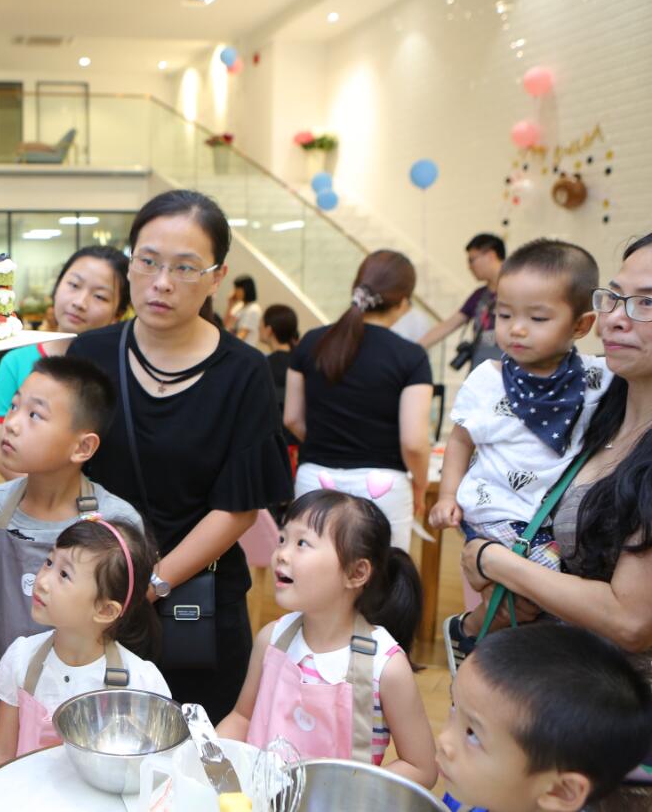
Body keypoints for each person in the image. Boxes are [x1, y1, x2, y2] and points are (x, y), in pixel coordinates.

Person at [69, 189, 293, 722]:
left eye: (186, 268)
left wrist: (151, 583)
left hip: (200, 604)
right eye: (148, 261)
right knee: (95, 736)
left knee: (198, 740)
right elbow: (67, 469)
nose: (162, 282)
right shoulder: (91, 354)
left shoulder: (244, 372)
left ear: (217, 278)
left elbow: (237, 507)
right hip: (98, 592)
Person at [461, 234, 652, 810]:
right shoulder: (599, 413)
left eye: (647, 302)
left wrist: (494, 561)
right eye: (614, 297)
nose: (618, 318)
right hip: (557, 706)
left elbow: (631, 620)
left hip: (620, 734)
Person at [429, 241, 609, 652]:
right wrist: (447, 495)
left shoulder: (598, 378)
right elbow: (460, 439)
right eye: (505, 315)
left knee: (531, 607)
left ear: (581, 326)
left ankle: (475, 637)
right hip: (496, 510)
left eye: (538, 318)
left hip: (546, 518)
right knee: (553, 593)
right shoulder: (487, 379)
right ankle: (475, 637)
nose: (516, 329)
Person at [216, 490, 437, 786]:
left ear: (356, 573)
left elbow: (421, 768)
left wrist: (349, 791)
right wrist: (208, 756)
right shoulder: (272, 640)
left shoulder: (385, 667)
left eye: (302, 543)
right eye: (282, 539)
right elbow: (242, 718)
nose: (282, 553)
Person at [0, 356, 144, 681]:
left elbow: (119, 625)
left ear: (83, 447)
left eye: (34, 415)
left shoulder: (116, 521)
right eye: (14, 406)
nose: (11, 423)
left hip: (81, 697)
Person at [0, 517, 169, 770]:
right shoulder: (21, 658)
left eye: (64, 574)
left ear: (105, 610)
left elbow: (152, 773)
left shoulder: (141, 684)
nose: (42, 581)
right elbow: (1, 754)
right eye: (49, 562)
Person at [287, 250, 433, 551]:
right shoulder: (411, 356)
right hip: (382, 486)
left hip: (315, 479)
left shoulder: (311, 342)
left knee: (311, 575)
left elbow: (291, 418)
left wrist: (328, 442)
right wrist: (420, 485)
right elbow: (414, 443)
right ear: (403, 302)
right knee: (382, 575)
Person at [437, 624, 652, 812]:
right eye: (454, 707)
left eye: (473, 735)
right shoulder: (469, 795)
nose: (444, 740)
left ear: (560, 791)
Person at [0, 246, 129, 480]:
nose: (80, 302)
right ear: (57, 287)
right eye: (73, 285)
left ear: (118, 313)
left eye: (100, 296)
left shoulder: (122, 369)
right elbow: (5, 459)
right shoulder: (15, 362)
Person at [419, 234, 506, 370]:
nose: (469, 267)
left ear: (490, 255)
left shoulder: (519, 291)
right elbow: (448, 325)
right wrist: (414, 348)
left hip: (508, 369)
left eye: (472, 260)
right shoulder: (480, 295)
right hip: (481, 368)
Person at [261, 304, 301, 470]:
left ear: (269, 330)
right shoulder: (301, 361)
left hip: (272, 446)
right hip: (298, 447)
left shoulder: (263, 365)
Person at [224, 274, 262, 349]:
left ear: (246, 290)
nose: (235, 292)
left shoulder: (253, 310)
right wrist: (230, 305)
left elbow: (241, 336)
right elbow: (225, 325)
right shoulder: (239, 305)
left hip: (241, 349)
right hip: (232, 345)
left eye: (237, 289)